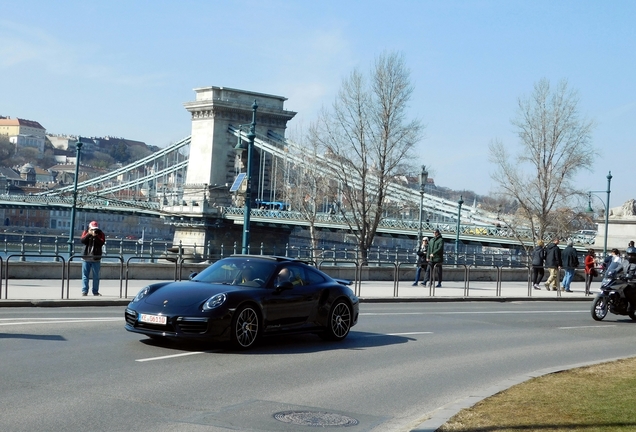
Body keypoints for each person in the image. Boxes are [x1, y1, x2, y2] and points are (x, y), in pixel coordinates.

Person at [80, 220, 105, 296]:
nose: (94, 230)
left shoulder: (100, 234)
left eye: (95, 229)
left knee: (96, 276)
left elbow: (101, 243)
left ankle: (95, 291)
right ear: (89, 228)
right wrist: (89, 234)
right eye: (92, 229)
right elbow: (82, 241)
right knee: (85, 276)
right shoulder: (86, 232)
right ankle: (84, 291)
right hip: (86, 257)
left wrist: (96, 236)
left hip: (96, 258)